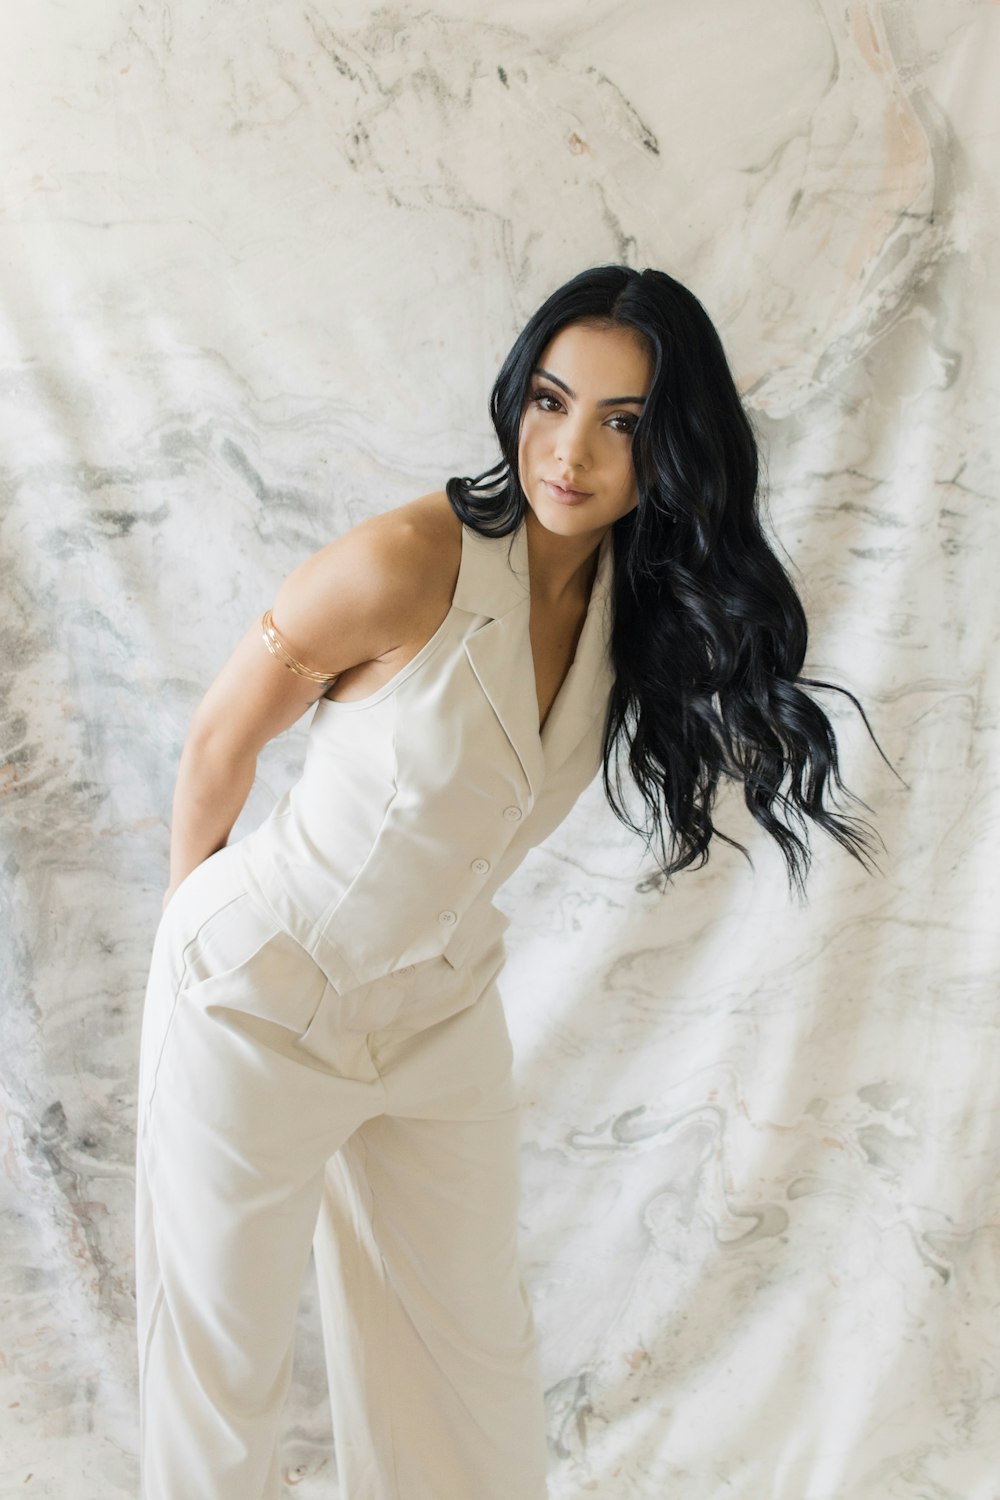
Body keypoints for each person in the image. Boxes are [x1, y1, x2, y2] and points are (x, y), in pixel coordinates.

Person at [134, 264, 881, 1500]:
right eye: (550, 400)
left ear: (674, 446)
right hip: (253, 1000)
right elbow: (220, 740)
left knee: (467, 1365)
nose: (570, 449)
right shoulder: (400, 562)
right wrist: (190, 954)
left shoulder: (620, 613)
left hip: (435, 1016)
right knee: (222, 1380)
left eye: (622, 422)